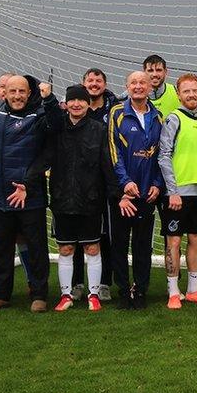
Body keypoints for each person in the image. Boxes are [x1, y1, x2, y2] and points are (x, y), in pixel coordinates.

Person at [0, 75, 58, 312]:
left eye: (21, 91)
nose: (16, 96)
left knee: (36, 247)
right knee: (1, 247)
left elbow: (56, 130)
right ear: (4, 92)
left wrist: (27, 181)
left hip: (29, 195)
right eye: (12, 91)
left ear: (29, 92)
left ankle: (39, 295)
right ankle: (1, 294)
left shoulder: (40, 114)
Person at [50, 85, 121, 312]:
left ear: (88, 104)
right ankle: (66, 295)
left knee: (92, 247)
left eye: (81, 100)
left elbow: (107, 165)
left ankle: (93, 294)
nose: (77, 104)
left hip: (91, 200)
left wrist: (115, 193)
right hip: (62, 200)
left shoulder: (99, 129)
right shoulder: (57, 128)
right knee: (66, 249)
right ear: (66, 103)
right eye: (72, 100)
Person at [157, 73, 197, 309]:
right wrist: (172, 190)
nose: (191, 94)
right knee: (173, 241)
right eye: (186, 91)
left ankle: (193, 289)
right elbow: (164, 155)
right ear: (179, 94)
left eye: (195, 90)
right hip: (177, 195)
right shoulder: (174, 119)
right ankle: (173, 291)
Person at [108, 71, 163, 310]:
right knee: (119, 244)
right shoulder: (117, 113)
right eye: (134, 83)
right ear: (127, 86)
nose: (138, 87)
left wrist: (157, 185)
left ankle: (140, 290)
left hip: (147, 194)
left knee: (143, 246)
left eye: (143, 83)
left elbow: (162, 155)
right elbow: (113, 152)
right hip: (124, 195)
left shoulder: (159, 117)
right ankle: (122, 291)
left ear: (150, 87)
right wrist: (124, 184)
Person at [69, 67, 119, 304]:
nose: (94, 83)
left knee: (104, 236)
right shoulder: (74, 110)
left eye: (98, 80)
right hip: (77, 185)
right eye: (90, 80)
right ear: (84, 84)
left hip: (103, 184)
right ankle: (78, 283)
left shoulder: (114, 108)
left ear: (104, 84)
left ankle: (105, 283)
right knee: (77, 238)